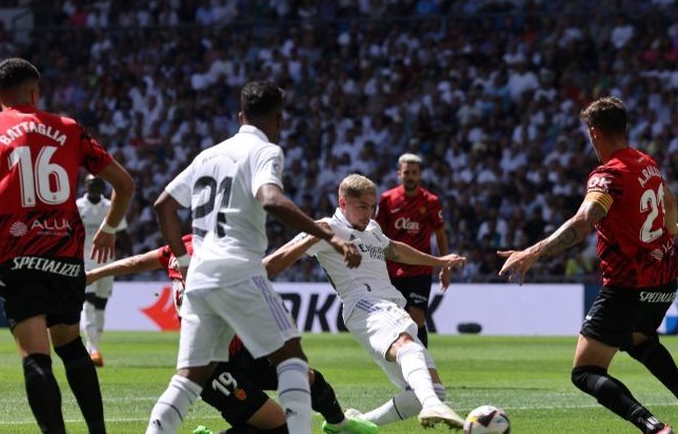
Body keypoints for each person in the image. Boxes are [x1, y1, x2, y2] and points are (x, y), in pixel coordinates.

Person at [145, 80, 362, 434]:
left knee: (188, 378)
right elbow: (271, 199)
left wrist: (184, 263)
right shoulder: (265, 151)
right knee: (292, 358)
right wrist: (328, 235)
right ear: (279, 119)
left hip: (199, 278)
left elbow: (163, 206)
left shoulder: (207, 155)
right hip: (239, 270)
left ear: (239, 115)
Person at [0, 58, 135, 433]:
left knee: (36, 358)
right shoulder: (68, 127)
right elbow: (125, 183)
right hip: (65, 257)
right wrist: (110, 227)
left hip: (18, 258)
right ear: (36, 92)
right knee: (71, 346)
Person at [498, 97, 678, 434]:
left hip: (628, 286)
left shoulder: (608, 175)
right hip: (664, 282)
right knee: (639, 340)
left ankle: (654, 428)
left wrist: (532, 252)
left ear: (594, 133)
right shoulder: (646, 162)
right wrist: (671, 227)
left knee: (585, 371)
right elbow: (670, 200)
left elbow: (583, 221)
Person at [86, 234, 378, 434]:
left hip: (244, 350)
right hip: (213, 365)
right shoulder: (215, 257)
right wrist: (311, 237)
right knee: (280, 427)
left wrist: (96, 274)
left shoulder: (182, 248)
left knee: (307, 377)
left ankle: (339, 424)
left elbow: (137, 262)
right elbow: (269, 268)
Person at [264, 174, 467, 430]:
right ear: (342, 203)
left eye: (372, 207)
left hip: (389, 306)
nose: (368, 213)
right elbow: (277, 259)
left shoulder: (372, 229)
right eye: (362, 206)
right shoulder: (326, 227)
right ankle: (432, 406)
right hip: (364, 302)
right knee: (407, 345)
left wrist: (439, 261)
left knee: (432, 388)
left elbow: (395, 249)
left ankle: (357, 424)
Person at [375, 153, 449, 348]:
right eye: (406, 172)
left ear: (420, 175)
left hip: (420, 268)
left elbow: (441, 234)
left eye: (414, 172)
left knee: (417, 315)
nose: (410, 176)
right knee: (397, 319)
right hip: (392, 268)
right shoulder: (386, 200)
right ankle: (403, 361)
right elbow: (375, 233)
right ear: (399, 173)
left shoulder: (431, 201)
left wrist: (445, 267)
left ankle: (424, 363)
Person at [77, 174, 132, 366]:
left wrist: (131, 256)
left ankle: (94, 345)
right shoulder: (77, 207)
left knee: (100, 306)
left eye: (98, 183)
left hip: (108, 263)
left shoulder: (111, 206)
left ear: (103, 187)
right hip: (85, 262)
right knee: (88, 303)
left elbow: (123, 232)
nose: (95, 187)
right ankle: (93, 349)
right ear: (85, 185)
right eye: (91, 183)